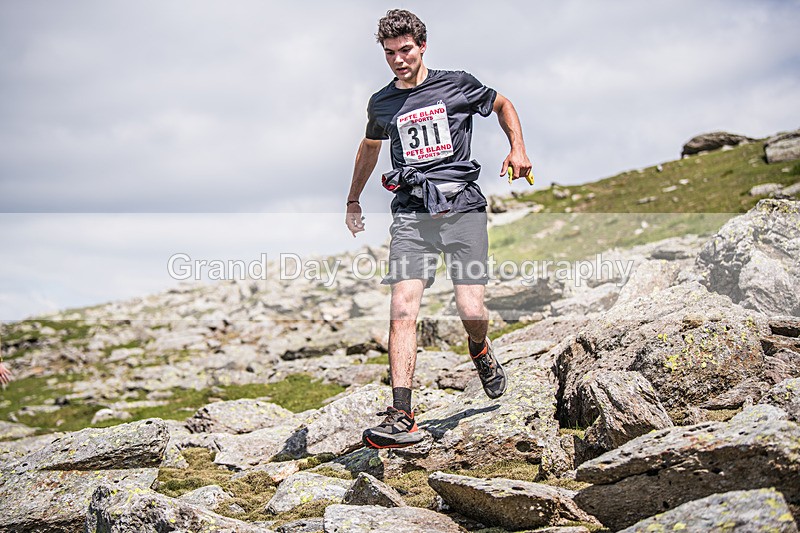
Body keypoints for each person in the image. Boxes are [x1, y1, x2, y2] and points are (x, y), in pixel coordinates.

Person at [345, 9, 532, 449]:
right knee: (402, 306)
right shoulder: (381, 103)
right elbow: (370, 147)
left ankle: (480, 349)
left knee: (471, 309)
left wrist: (518, 148)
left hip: (462, 207)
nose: (398, 60)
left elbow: (503, 104)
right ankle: (402, 415)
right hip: (411, 212)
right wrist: (353, 198)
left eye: (405, 50)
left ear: (422, 46)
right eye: (389, 53)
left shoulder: (457, 83)